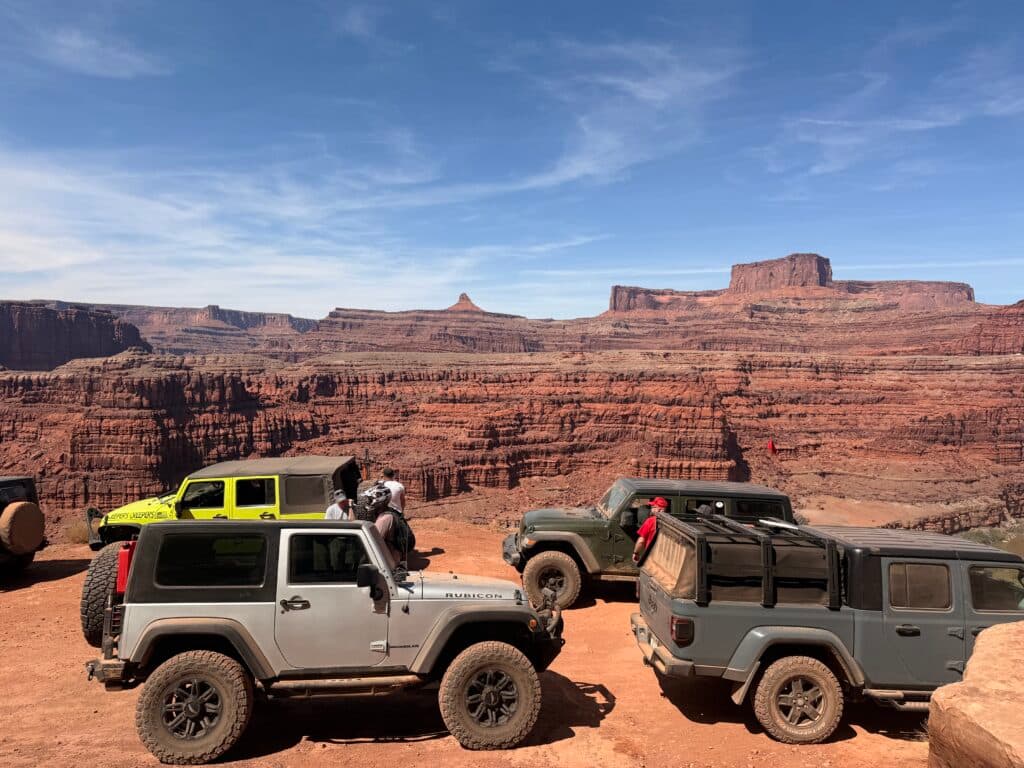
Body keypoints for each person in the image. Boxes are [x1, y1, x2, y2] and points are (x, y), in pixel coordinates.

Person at [632, 497, 669, 563]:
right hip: (666, 558)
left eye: (654, 507)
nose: (651, 509)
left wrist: (636, 553)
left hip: (652, 555)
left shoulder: (650, 521)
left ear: (659, 509)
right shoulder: (671, 522)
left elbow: (641, 541)